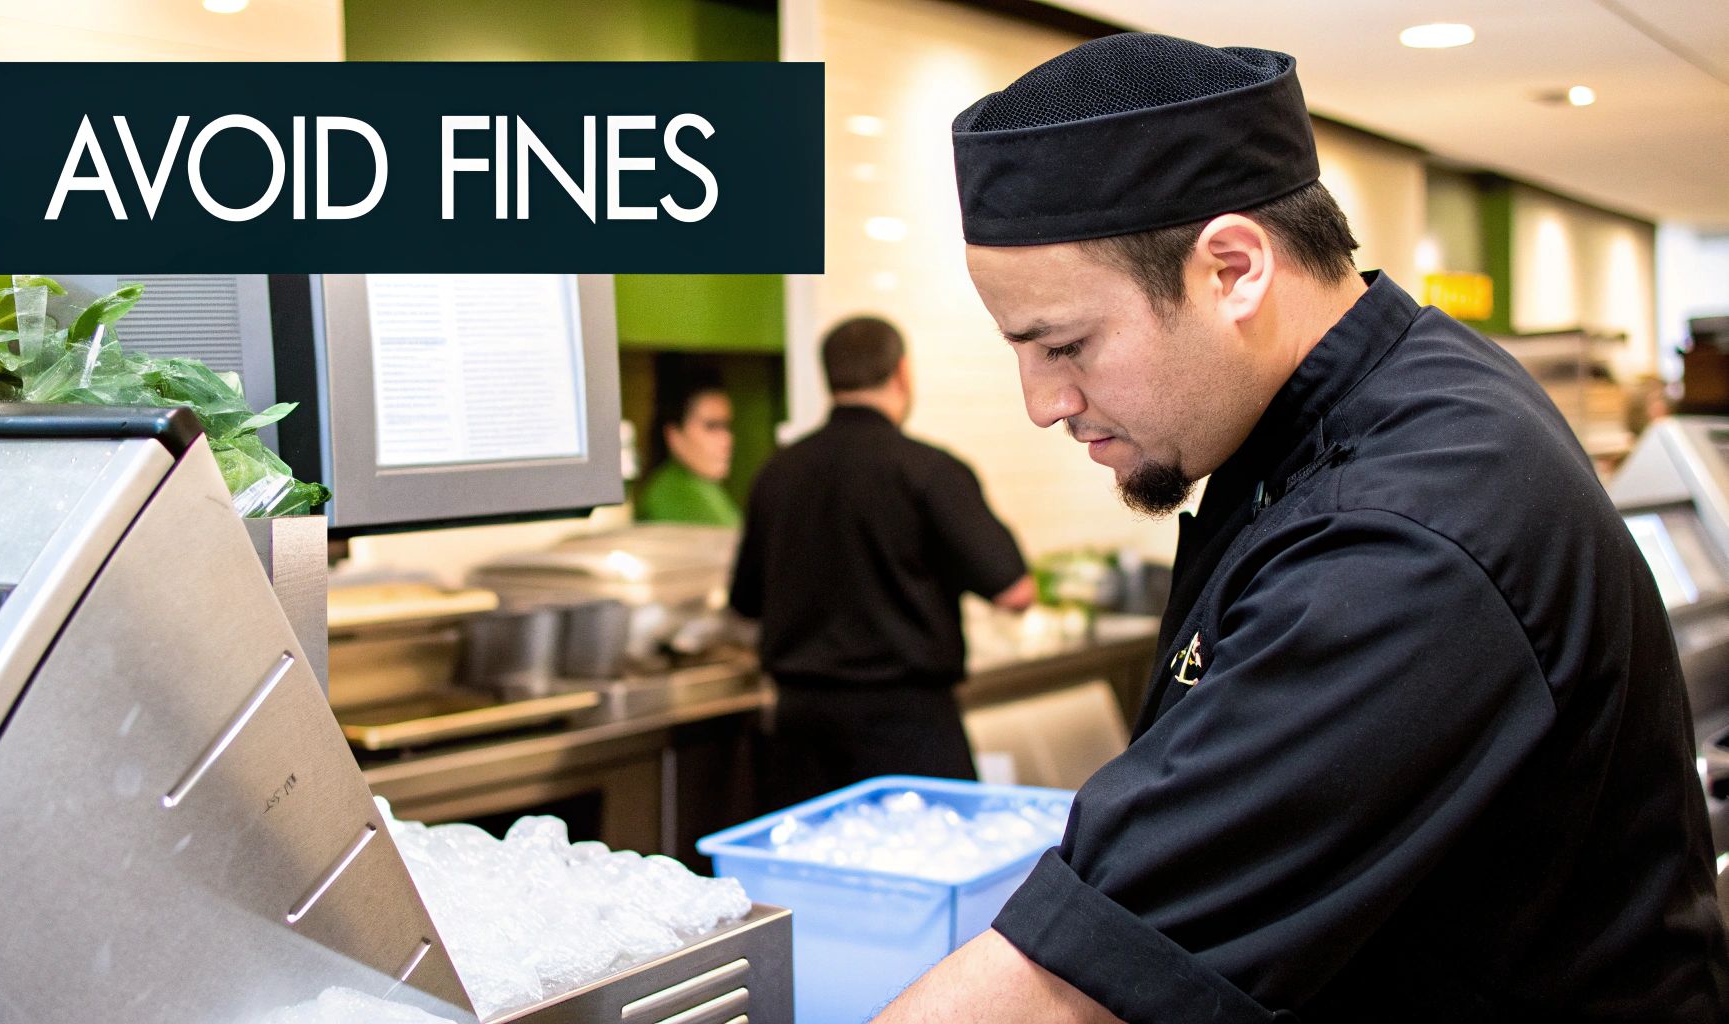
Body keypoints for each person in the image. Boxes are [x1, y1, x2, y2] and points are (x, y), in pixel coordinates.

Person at [873, 32, 1729, 1023]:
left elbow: (1063, 994)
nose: (1042, 401)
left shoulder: (1405, 543)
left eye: (1064, 344)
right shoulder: (1393, 390)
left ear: (1232, 267)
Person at [729, 316, 1035, 808]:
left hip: (800, 729)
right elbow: (1015, 590)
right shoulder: (931, 471)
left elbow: (744, 602)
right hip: (907, 729)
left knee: (811, 878)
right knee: (927, 872)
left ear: (830, 379)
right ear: (902, 373)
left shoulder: (777, 472)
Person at [634, 379, 741, 527]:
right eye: (711, 426)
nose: (727, 440)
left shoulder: (706, 487)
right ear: (674, 435)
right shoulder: (672, 495)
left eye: (726, 426)